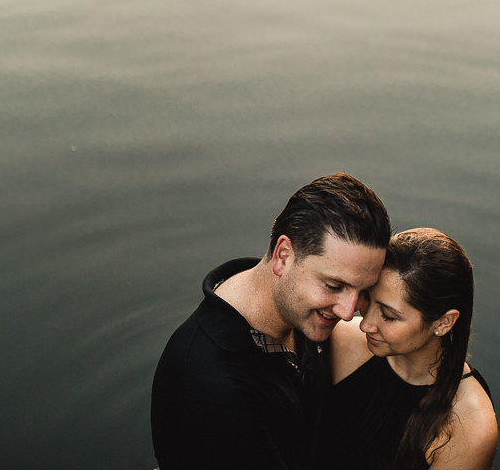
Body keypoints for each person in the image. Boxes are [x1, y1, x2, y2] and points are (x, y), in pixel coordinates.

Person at [150, 173, 391, 470]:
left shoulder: (293, 307)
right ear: (283, 256)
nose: (347, 312)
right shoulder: (211, 390)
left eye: (363, 290)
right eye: (333, 286)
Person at [320, 227, 499, 470]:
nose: (365, 324)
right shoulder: (343, 341)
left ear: (443, 322)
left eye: (389, 316)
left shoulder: (469, 426)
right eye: (369, 300)